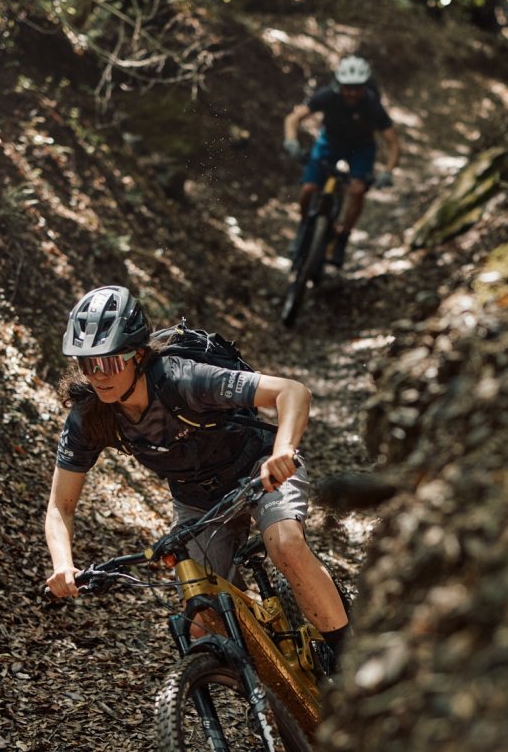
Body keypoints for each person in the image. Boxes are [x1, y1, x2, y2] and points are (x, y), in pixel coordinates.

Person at [43, 284, 350, 665]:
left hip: (258, 469)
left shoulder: (182, 380)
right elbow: (61, 506)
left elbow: (292, 392)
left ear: (138, 355)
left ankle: (347, 655)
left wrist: (284, 450)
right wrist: (62, 564)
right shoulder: (90, 418)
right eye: (88, 364)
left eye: (109, 362)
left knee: (284, 543)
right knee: (204, 623)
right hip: (197, 499)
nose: (98, 375)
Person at [282, 54, 401, 268]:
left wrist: (388, 171)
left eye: (357, 87)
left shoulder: (372, 105)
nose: (352, 92)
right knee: (309, 189)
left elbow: (392, 143)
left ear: (364, 86)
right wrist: (291, 140)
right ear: (339, 84)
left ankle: (342, 239)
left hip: (362, 148)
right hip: (330, 142)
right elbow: (293, 118)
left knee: (356, 190)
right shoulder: (328, 96)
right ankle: (303, 228)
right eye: (347, 87)